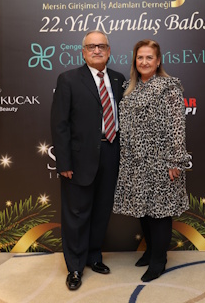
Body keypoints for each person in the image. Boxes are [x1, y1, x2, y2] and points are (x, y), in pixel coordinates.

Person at [51, 30, 126, 291]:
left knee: (102, 210)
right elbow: (59, 125)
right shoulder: (69, 79)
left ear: (109, 51)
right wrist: (64, 163)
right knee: (76, 214)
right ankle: (74, 267)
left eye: (101, 46)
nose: (97, 50)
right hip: (79, 158)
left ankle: (94, 256)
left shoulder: (118, 79)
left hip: (111, 152)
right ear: (83, 52)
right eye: (91, 46)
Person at [113, 39, 191, 282]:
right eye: (140, 57)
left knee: (160, 212)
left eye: (149, 57)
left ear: (158, 62)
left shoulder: (169, 87)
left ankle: (159, 260)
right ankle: (150, 251)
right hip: (135, 162)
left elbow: (177, 126)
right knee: (143, 210)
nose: (144, 62)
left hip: (161, 161)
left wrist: (175, 161)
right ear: (134, 61)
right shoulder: (129, 88)